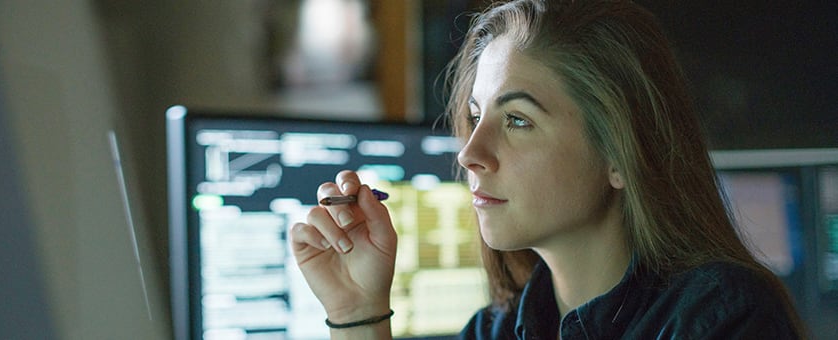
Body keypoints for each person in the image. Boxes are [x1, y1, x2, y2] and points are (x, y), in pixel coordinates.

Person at [288, 0, 807, 338]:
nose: (470, 152)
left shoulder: (723, 318)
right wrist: (358, 310)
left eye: (517, 120)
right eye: (474, 116)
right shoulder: (496, 330)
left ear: (620, 155)